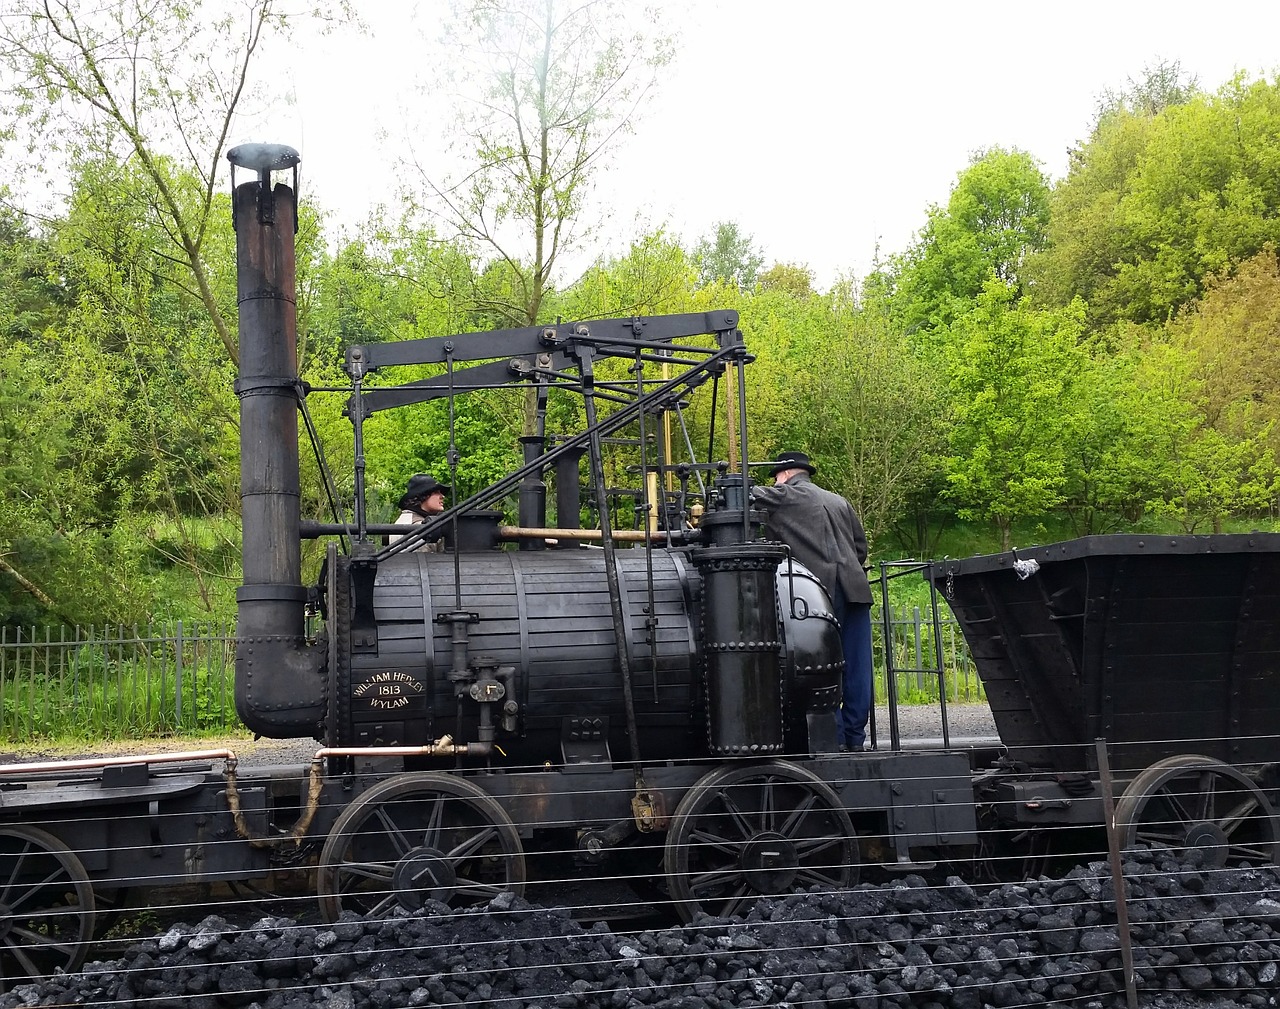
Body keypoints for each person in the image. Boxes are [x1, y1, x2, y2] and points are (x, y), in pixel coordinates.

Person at [752, 451, 873, 750]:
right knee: (857, 667)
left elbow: (746, 496)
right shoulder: (839, 501)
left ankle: (833, 739)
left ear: (784, 474)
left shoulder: (783, 495)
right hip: (855, 590)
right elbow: (861, 548)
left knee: (823, 668)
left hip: (819, 595)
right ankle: (855, 738)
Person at [391, 473, 447, 551]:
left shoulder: (406, 519)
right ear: (423, 496)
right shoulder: (419, 526)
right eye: (436, 492)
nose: (442, 496)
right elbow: (425, 561)